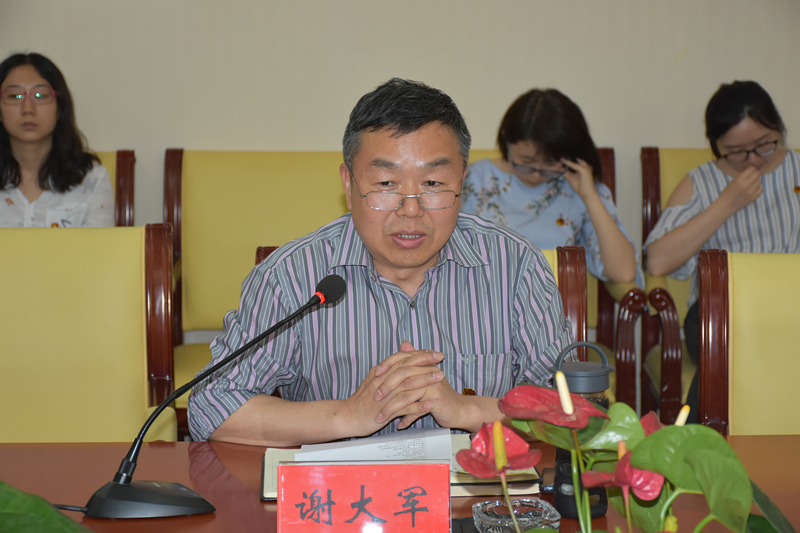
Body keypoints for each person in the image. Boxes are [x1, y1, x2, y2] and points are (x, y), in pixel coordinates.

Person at [188, 78, 573, 446]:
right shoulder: (291, 276)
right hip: (343, 489)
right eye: (386, 184)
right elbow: (212, 406)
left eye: (433, 184)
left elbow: (569, 409)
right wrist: (349, 416)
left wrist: (466, 409)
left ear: (462, 182)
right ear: (348, 184)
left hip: (478, 489)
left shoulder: (514, 267)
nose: (411, 210)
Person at [645, 80, 800, 421]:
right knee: (735, 346)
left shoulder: (796, 170)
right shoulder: (700, 182)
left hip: (789, 310)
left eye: (764, 145)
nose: (752, 161)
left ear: (779, 129)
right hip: (718, 315)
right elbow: (657, 260)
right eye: (736, 152)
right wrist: (726, 204)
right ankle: (706, 440)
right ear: (715, 145)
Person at [461, 88, 642, 287]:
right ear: (507, 139)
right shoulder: (471, 181)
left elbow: (623, 272)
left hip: (554, 303)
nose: (536, 174)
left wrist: (589, 196)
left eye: (550, 163)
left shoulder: (580, 188)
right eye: (526, 161)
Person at [0, 53, 113, 228]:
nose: (28, 109)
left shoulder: (91, 180)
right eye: (15, 96)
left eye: (40, 96)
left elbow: (99, 246)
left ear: (60, 107)